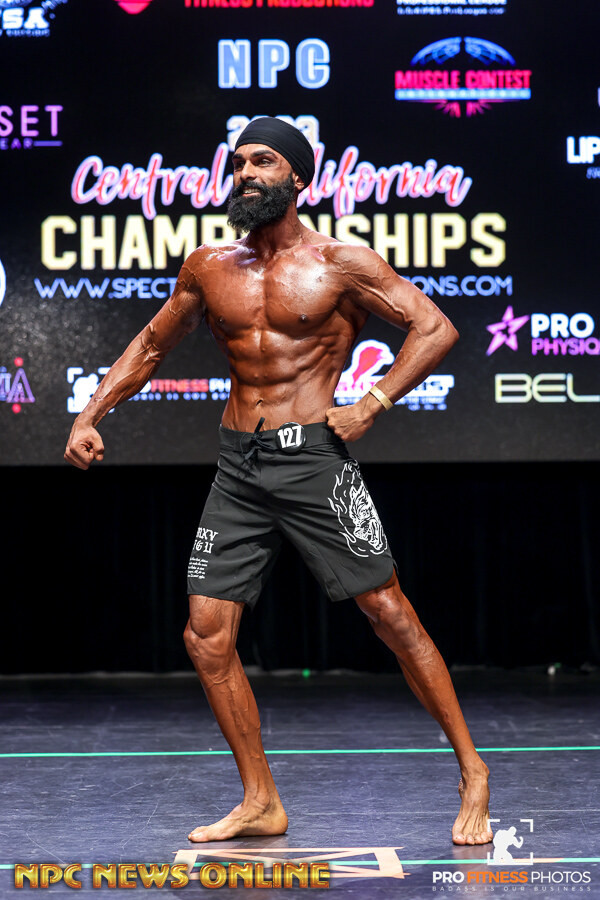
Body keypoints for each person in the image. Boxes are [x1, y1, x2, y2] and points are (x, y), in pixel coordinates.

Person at [65, 116, 493, 847]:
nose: (246, 174)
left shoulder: (342, 263)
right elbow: (152, 344)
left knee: (389, 613)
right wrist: (89, 413)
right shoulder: (209, 266)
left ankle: (473, 771)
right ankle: (260, 799)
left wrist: (372, 403)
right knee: (206, 637)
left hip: (315, 460)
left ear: (297, 177)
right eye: (238, 163)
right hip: (239, 466)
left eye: (262, 161)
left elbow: (435, 328)